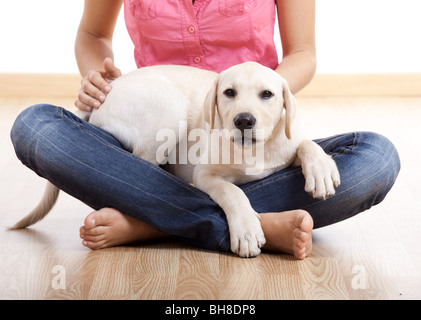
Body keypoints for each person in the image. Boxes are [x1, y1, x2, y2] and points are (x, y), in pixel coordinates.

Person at [10, 0, 400, 260]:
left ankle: (149, 218)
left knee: (376, 157)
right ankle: (242, 221)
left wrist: (263, 95)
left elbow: (303, 52)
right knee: (36, 127)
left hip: (255, 134)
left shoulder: (271, 104)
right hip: (151, 143)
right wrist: (99, 74)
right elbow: (93, 35)